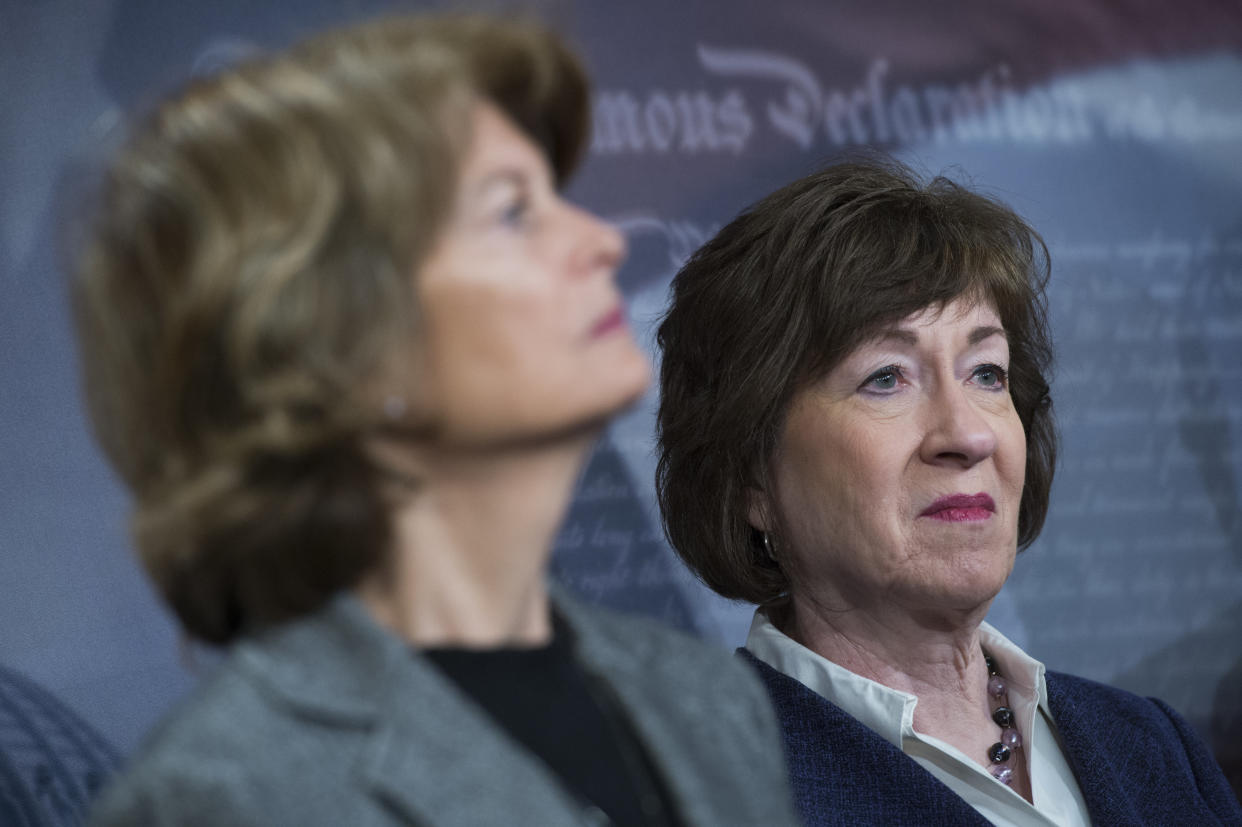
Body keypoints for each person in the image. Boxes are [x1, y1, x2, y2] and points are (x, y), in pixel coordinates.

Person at [73, 14, 798, 826]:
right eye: (512, 213)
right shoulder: (227, 794)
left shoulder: (711, 701)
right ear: (335, 342)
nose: (600, 240)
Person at [655, 158, 1242, 826]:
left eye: (987, 372)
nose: (967, 434)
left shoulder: (1153, 748)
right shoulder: (701, 794)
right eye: (885, 377)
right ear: (751, 476)